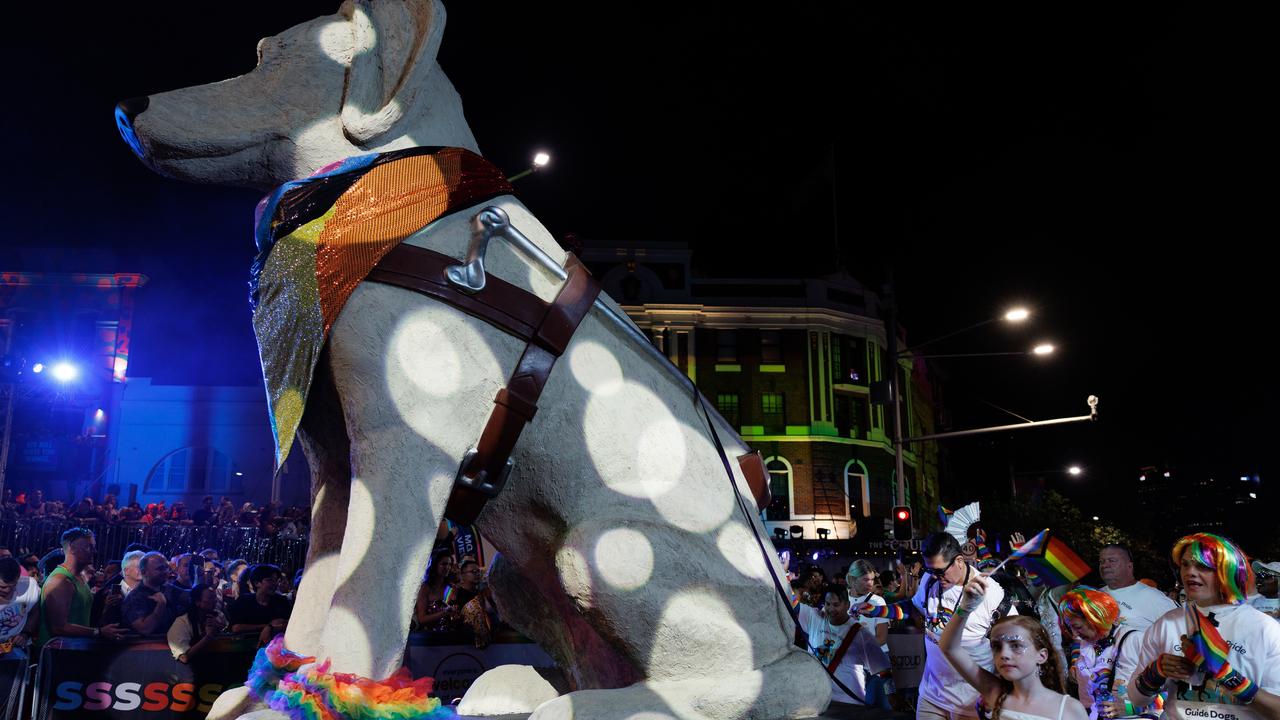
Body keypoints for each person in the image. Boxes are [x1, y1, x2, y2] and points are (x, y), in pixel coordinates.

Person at [1128, 533, 1280, 719]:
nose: (1190, 572)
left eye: (1203, 566)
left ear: (1227, 570)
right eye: (1185, 564)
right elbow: (1136, 700)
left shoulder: (1264, 628)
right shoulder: (1166, 623)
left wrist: (1227, 675)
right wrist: (1155, 672)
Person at [941, 574, 1087, 720]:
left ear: (1042, 655)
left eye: (1016, 645)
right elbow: (949, 648)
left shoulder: (1069, 709)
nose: (1004, 654)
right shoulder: (995, 693)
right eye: (997, 646)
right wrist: (965, 608)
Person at [915, 532, 1010, 720]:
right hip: (931, 696)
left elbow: (1012, 642)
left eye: (940, 571)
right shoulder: (929, 580)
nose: (935, 577)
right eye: (929, 570)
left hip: (971, 702)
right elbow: (914, 609)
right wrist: (878, 610)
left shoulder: (991, 593)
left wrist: (998, 689)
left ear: (959, 561)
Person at [798, 583, 892, 710]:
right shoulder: (815, 617)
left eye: (836, 605)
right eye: (827, 604)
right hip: (816, 700)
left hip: (848, 703)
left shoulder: (861, 634)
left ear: (847, 605)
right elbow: (790, 603)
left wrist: (892, 696)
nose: (830, 609)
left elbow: (883, 670)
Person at [1057, 588, 1145, 719]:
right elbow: (1088, 705)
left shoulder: (1134, 640)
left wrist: (1128, 708)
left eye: (1078, 627)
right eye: (1071, 628)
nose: (1075, 634)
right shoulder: (1086, 646)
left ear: (1095, 619)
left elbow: (1165, 693)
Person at [38, 528, 126, 645]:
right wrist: (98, 632)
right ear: (72, 547)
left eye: (93, 547)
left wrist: (106, 605)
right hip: (57, 652)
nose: (94, 551)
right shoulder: (60, 581)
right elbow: (58, 628)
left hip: (74, 648)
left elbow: (82, 617)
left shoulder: (79, 578)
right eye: (89, 547)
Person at [1097, 544, 1174, 636]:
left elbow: (1179, 632)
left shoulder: (1154, 598)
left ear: (1129, 566)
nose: (1105, 565)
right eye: (1101, 561)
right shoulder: (1096, 595)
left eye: (1112, 560)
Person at [122, 551, 190, 635]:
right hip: (147, 643)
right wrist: (161, 605)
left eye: (166, 568)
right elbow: (144, 629)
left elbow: (193, 597)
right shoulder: (134, 597)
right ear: (144, 572)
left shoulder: (168, 588)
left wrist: (199, 576)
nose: (165, 571)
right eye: (159, 569)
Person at [228, 564, 292, 645]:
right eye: (270, 580)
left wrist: (270, 627)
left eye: (276, 580)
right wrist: (268, 626)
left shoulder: (281, 601)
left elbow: (290, 624)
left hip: (277, 646)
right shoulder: (244, 601)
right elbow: (236, 628)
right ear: (257, 583)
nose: (275, 584)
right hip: (245, 646)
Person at [167, 583, 228, 663]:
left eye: (215, 597)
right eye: (210, 598)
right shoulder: (182, 623)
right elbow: (184, 657)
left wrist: (221, 629)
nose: (215, 601)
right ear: (197, 602)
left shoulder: (219, 616)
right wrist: (207, 637)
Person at [0, 557, 40, 658]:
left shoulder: (29, 586)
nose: (8, 590)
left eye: (13, 586)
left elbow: (34, 611)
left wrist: (25, 633)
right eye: (3, 587)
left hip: (16, 649)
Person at [414, 552, 460, 631]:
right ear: (434, 565)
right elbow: (422, 619)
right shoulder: (425, 588)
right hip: (431, 634)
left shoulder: (451, 587)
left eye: (449, 564)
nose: (448, 567)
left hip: (451, 632)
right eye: (444, 564)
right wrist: (444, 613)